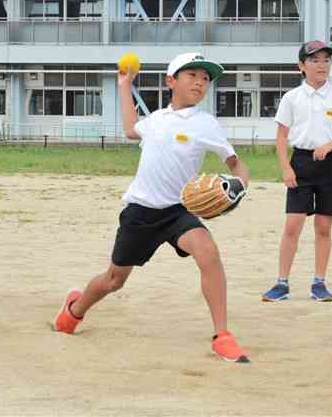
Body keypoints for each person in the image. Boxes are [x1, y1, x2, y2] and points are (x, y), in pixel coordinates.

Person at [53, 52, 252, 363]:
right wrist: (124, 85)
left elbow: (235, 163)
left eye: (205, 78)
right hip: (140, 212)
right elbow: (132, 130)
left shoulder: (205, 123)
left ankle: (222, 335)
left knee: (208, 252)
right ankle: (74, 310)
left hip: (178, 211)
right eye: (192, 75)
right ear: (171, 80)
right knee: (114, 280)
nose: (200, 82)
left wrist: (240, 186)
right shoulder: (157, 119)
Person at [261, 41, 332, 302]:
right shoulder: (292, 98)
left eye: (326, 60)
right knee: (293, 225)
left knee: (324, 227)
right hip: (300, 163)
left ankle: (319, 283)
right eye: (315, 60)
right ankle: (281, 284)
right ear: (301, 66)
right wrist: (286, 168)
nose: (322, 65)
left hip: (330, 165)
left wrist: (330, 144)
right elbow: (281, 136)